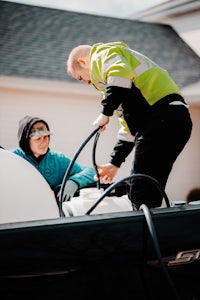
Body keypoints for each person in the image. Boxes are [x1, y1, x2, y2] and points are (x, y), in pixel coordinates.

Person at [66, 41, 193, 209]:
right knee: (151, 185)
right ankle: (152, 225)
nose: (88, 83)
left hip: (161, 118)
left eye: (82, 78)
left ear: (83, 62)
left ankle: (142, 231)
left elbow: (119, 73)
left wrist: (105, 112)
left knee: (140, 188)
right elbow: (128, 128)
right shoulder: (121, 86)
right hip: (176, 121)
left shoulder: (103, 54)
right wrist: (114, 163)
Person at [11, 115, 96, 204]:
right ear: (25, 140)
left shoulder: (59, 160)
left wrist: (74, 182)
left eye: (46, 136)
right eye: (38, 138)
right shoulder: (12, 158)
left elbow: (91, 172)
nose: (44, 141)